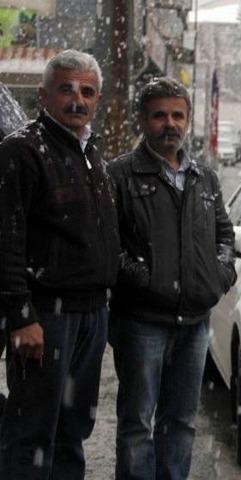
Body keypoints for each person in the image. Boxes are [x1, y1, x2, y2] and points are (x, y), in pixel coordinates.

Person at [108, 77, 236, 480]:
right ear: (143, 121)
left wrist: (217, 276)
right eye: (160, 115)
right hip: (142, 323)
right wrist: (147, 282)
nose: (170, 124)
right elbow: (109, 248)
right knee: (137, 425)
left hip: (194, 325)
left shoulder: (204, 178)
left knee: (181, 422)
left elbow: (225, 236)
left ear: (188, 120)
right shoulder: (120, 176)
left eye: (178, 115)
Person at [0, 49, 120, 479]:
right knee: (32, 432)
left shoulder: (91, 152)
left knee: (73, 430)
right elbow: (6, 240)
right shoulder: (21, 151)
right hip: (46, 319)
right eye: (67, 89)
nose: (77, 100)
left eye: (87, 92)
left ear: (97, 99)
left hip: (90, 315)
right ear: (44, 94)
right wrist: (21, 316)